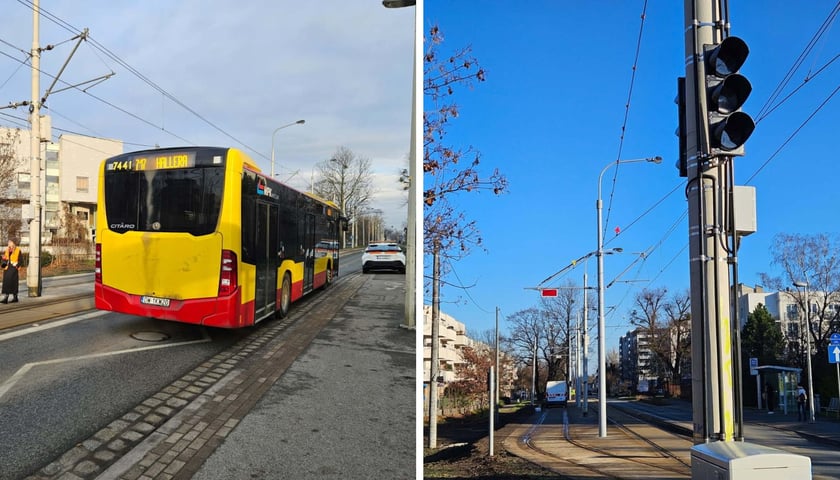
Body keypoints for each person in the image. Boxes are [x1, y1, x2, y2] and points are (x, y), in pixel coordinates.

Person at [1, 239, 21, 303]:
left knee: (13, 283)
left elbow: (21, 260)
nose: (8, 244)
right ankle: (6, 298)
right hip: (7, 268)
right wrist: (3, 260)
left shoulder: (18, 250)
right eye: (8, 243)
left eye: (10, 242)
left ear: (13, 243)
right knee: (6, 283)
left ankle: (15, 297)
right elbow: (5, 259)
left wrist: (16, 265)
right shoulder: (7, 250)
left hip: (13, 268)